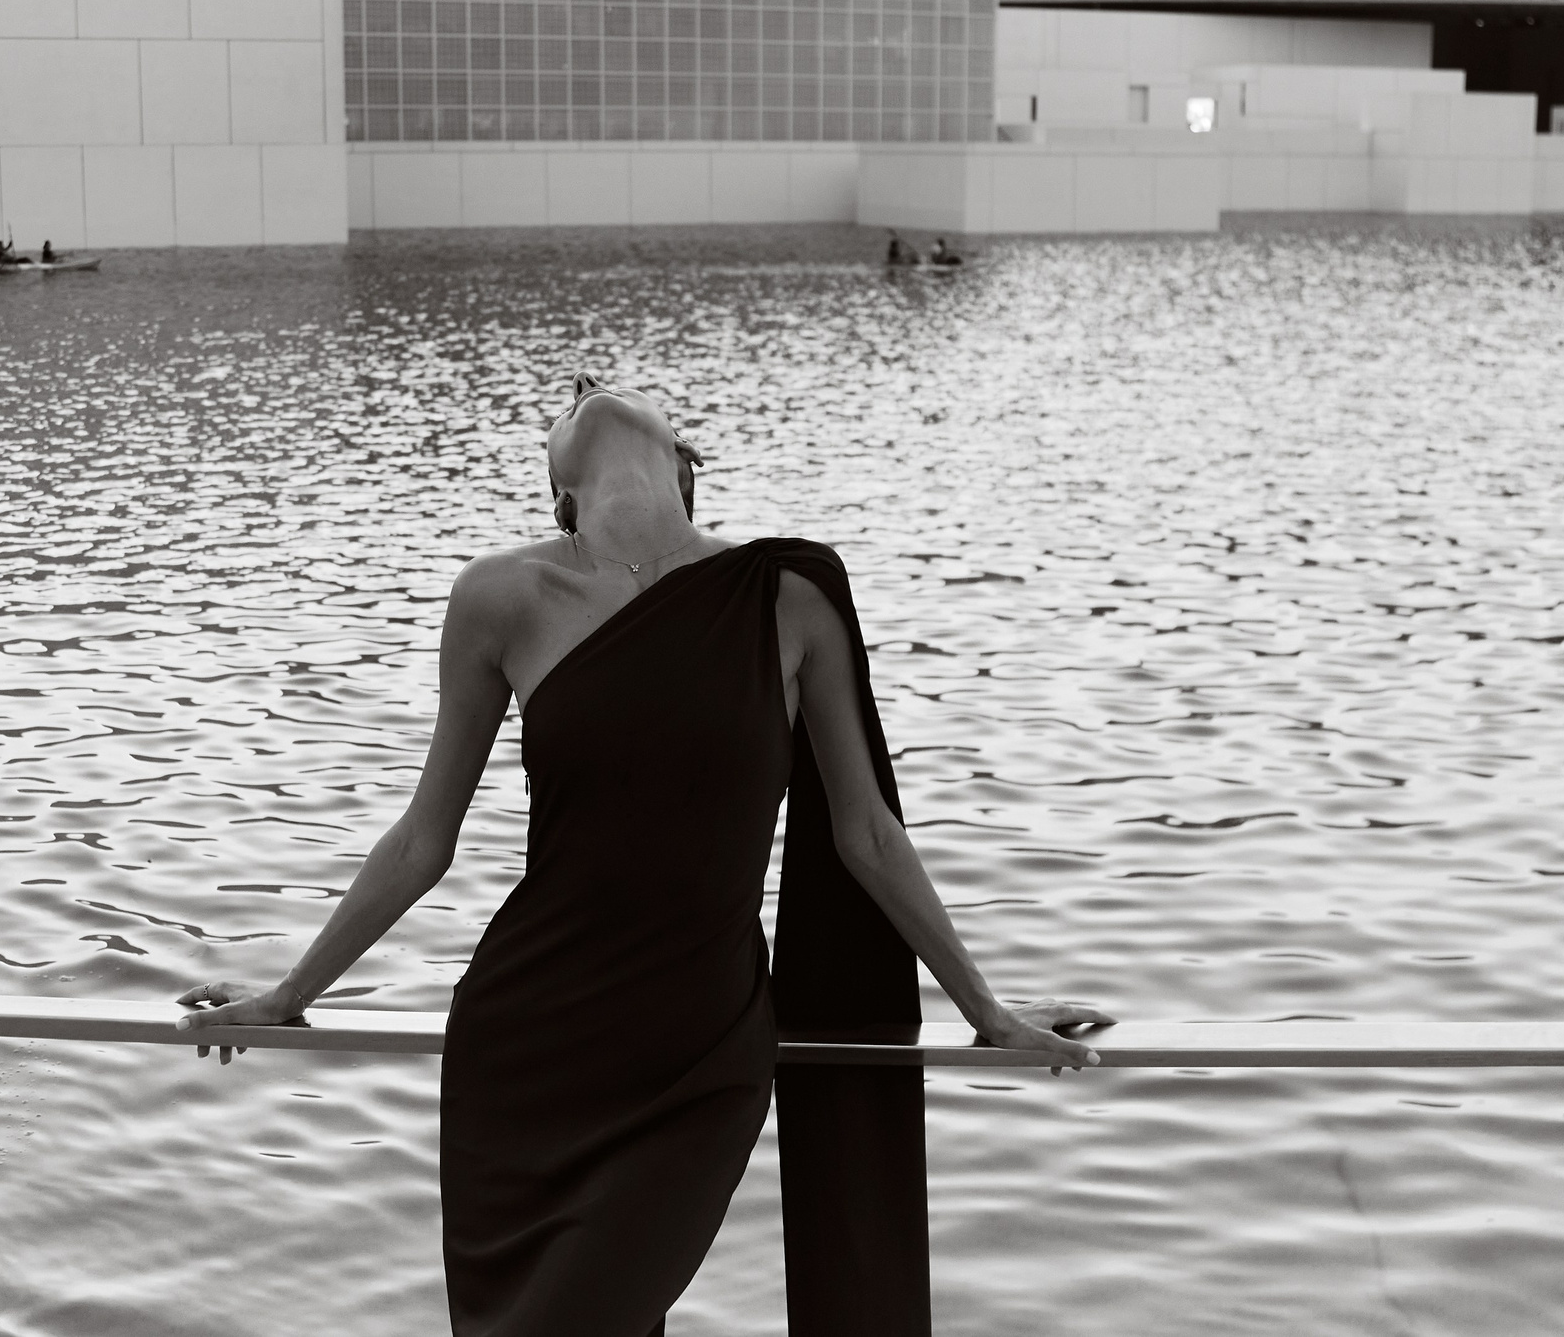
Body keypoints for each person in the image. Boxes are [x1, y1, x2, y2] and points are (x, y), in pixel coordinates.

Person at [177, 370, 1109, 1337]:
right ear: (558, 493)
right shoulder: (499, 596)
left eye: (608, 391)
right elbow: (423, 838)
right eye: (566, 400)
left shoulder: (788, 594)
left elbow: (867, 832)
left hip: (696, 1052)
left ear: (682, 459)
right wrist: (292, 992)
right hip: (526, 1047)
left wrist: (984, 1008)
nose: (586, 390)